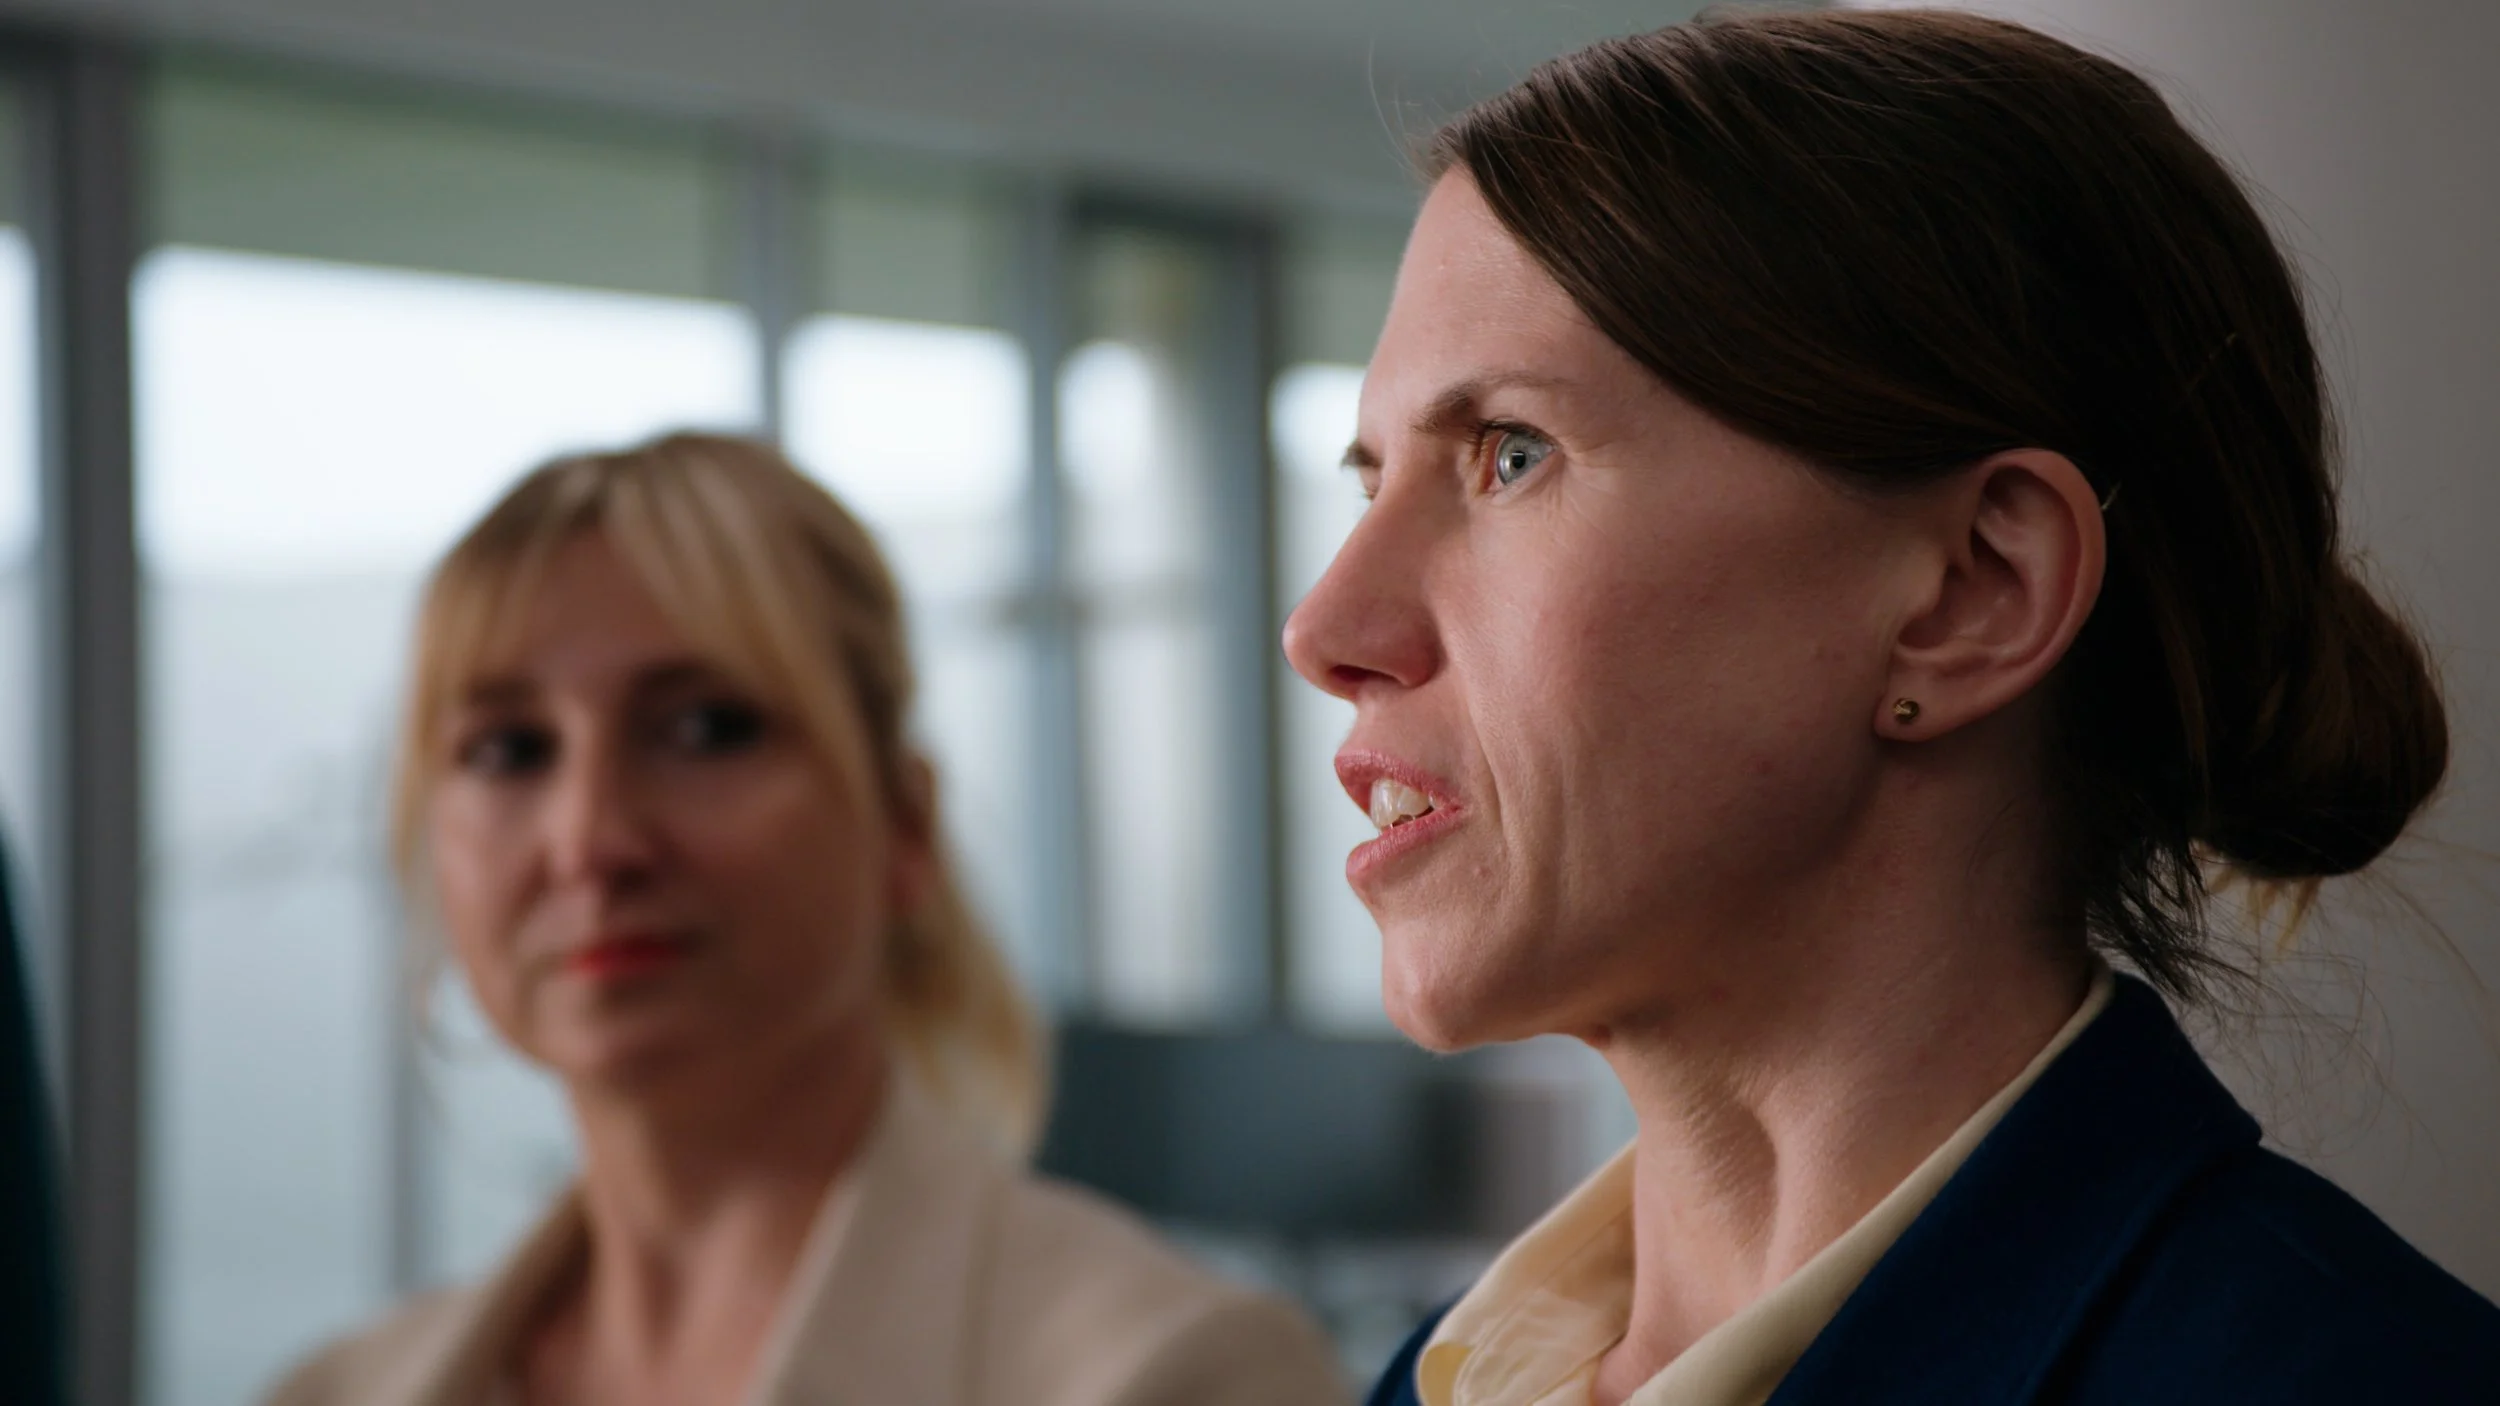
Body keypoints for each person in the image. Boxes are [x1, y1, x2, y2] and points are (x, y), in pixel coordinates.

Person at [1282, 10, 2500, 1405]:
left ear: (1974, 590)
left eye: (1509, 453)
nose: (1327, 631)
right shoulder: (1429, 1381)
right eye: (1371, 481)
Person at [269, 433, 1347, 1406]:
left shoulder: (1177, 1372)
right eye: (509, 750)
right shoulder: (329, 1390)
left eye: (703, 727)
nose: (591, 839)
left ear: (903, 824)